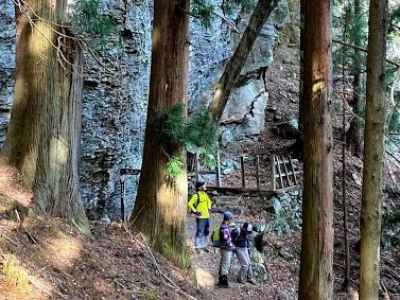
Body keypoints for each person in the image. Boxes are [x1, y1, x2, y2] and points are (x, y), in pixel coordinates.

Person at [188, 181, 212, 252]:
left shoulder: (205, 194)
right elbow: (190, 203)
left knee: (206, 231)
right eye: (204, 185)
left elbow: (209, 202)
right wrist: (195, 211)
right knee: (200, 231)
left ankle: (204, 245)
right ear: (200, 187)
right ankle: (198, 246)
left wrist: (209, 207)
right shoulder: (196, 195)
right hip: (200, 217)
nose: (205, 187)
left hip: (207, 216)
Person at [217, 211, 235, 288]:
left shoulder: (224, 226)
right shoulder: (224, 228)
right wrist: (232, 245)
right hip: (226, 249)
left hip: (224, 248)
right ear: (228, 219)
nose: (232, 220)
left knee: (223, 263)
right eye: (231, 219)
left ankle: (221, 280)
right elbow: (226, 239)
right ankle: (223, 283)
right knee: (225, 264)